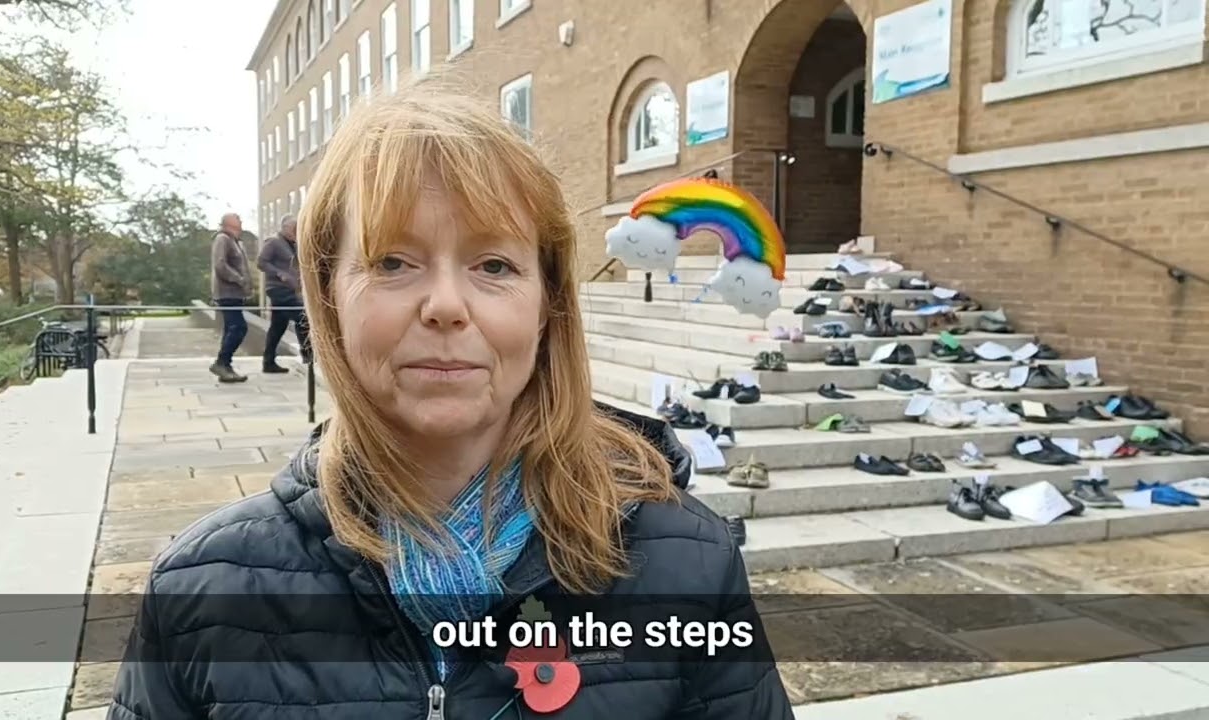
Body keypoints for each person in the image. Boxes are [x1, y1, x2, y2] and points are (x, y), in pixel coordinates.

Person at [107, 76, 794, 719]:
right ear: (329, 296)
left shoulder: (688, 561)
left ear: (547, 305)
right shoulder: (203, 590)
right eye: (392, 262)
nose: (444, 305)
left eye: (493, 265)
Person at [257, 213, 311, 372]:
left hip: (289, 289)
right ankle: (308, 355)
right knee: (303, 317)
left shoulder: (292, 244)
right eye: (295, 228)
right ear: (286, 228)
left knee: (278, 326)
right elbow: (261, 262)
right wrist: (279, 273)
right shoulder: (274, 242)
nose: (297, 231)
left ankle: (268, 362)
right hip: (278, 289)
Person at [209, 212, 252, 383]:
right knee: (238, 327)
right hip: (226, 292)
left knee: (231, 328)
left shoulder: (235, 241)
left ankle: (225, 366)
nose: (241, 221)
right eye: (238, 218)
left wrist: (246, 286)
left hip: (235, 293)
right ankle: (221, 362)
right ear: (229, 223)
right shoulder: (223, 239)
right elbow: (220, 265)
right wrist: (239, 279)